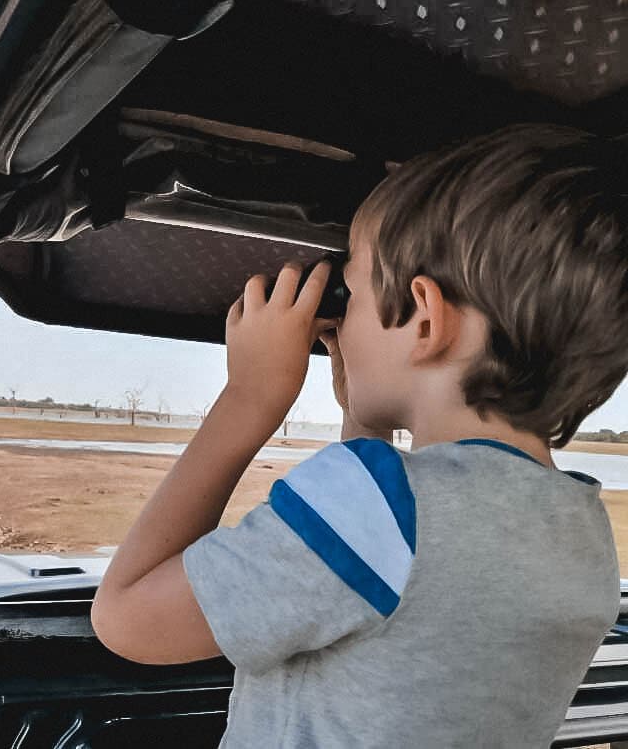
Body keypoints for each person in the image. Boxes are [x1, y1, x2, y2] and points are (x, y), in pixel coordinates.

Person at [90, 123, 627, 747]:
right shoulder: (584, 534)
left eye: (355, 286)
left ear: (424, 317)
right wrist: (364, 426)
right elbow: (399, 620)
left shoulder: (375, 504)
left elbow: (127, 619)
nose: (343, 320)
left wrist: (249, 399)